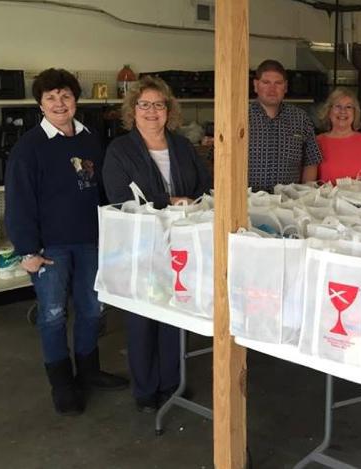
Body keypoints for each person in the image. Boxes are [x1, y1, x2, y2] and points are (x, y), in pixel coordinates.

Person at [4, 68, 128, 416]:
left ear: (76, 100)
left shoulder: (90, 140)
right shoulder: (29, 148)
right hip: (49, 249)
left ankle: (88, 372)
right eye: (50, 98)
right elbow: (18, 201)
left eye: (66, 96)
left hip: (90, 242)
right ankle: (62, 385)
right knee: (54, 315)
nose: (59, 104)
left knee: (91, 310)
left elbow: (102, 191)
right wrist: (27, 250)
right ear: (40, 105)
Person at [103, 75, 212, 412]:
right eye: (144, 105)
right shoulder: (120, 149)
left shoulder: (180, 146)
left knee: (176, 312)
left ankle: (172, 382)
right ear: (132, 111)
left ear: (169, 110)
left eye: (159, 105)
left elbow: (204, 186)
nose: (152, 111)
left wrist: (189, 202)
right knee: (143, 317)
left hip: (181, 242)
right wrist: (169, 201)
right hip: (141, 246)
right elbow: (119, 198)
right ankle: (146, 389)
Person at [249, 59, 322, 192]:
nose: (272, 89)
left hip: (288, 203)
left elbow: (311, 161)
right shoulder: (238, 118)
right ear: (256, 85)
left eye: (278, 83)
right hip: (246, 202)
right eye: (266, 82)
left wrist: (306, 194)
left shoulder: (300, 118)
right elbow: (219, 160)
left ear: (286, 86)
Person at [316, 88, 361, 184]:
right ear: (329, 111)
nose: (342, 111)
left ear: (355, 112)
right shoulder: (317, 142)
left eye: (348, 107)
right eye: (338, 106)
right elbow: (309, 183)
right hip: (326, 198)